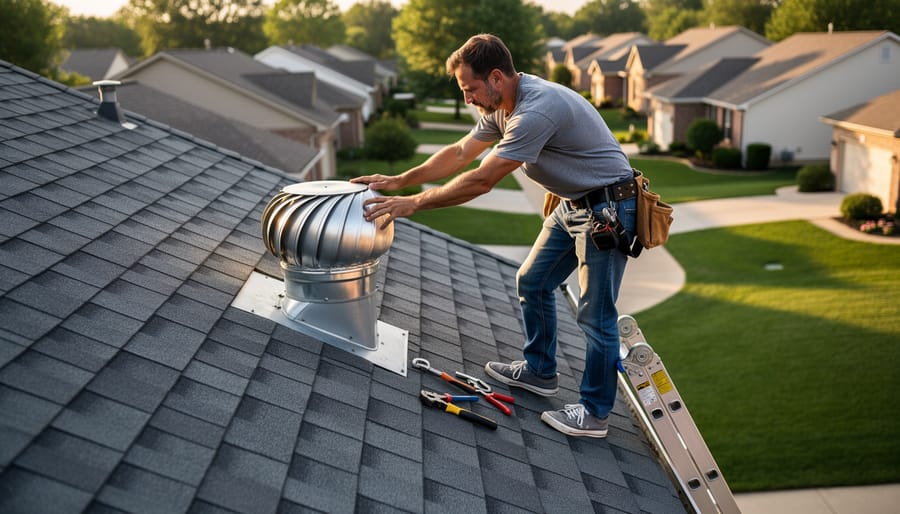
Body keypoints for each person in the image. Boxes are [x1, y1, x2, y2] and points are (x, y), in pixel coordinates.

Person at [352, 33, 637, 438]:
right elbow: (459, 154)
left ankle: (594, 414)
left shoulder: (536, 110)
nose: (467, 99)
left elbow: (482, 179)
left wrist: (414, 204)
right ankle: (540, 372)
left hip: (609, 209)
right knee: (533, 281)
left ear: (497, 77)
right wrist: (401, 180)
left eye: (470, 89)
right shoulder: (503, 105)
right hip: (574, 204)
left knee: (596, 314)